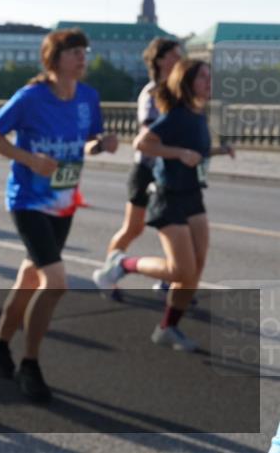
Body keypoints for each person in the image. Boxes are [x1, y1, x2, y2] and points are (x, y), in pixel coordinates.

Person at [0, 29, 118, 402]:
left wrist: (101, 145)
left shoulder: (88, 97)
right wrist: (29, 159)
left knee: (29, 278)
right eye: (73, 52)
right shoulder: (31, 98)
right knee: (55, 282)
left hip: (64, 201)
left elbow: (85, 141)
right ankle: (30, 364)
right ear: (53, 59)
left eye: (84, 51)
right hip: (28, 200)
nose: (82, 57)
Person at [93, 59, 234, 352]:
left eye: (210, 76)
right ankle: (122, 264)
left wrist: (220, 150)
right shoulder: (177, 115)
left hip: (193, 195)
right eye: (203, 77)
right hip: (167, 197)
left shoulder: (198, 114)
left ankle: (167, 328)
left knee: (196, 268)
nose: (209, 82)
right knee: (180, 271)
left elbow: (195, 151)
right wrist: (179, 153)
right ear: (187, 83)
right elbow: (143, 143)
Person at [100, 38, 182, 300]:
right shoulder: (152, 92)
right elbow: (149, 133)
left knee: (175, 225)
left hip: (172, 171)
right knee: (133, 228)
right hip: (146, 169)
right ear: (160, 60)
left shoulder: (179, 92)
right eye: (174, 55)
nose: (179, 60)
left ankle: (171, 279)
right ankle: (108, 274)